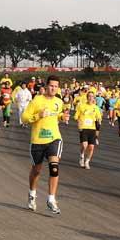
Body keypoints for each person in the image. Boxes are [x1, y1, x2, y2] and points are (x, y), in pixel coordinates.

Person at [22, 75, 70, 214]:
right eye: (51, 86)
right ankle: (32, 194)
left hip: (54, 139)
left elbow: (58, 115)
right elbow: (24, 118)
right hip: (37, 140)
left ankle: (51, 199)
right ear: (46, 86)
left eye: (56, 86)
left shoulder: (58, 101)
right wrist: (38, 116)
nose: (53, 88)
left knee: (54, 167)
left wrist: (62, 117)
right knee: (36, 171)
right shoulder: (37, 101)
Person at [74, 92, 102, 169]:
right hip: (84, 128)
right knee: (84, 145)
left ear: (94, 98)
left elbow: (99, 117)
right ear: (87, 97)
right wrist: (78, 121)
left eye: (92, 97)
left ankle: (87, 161)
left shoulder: (96, 107)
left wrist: (99, 120)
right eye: (89, 96)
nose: (90, 98)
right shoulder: (81, 106)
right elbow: (76, 116)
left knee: (91, 147)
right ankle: (82, 155)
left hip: (92, 129)